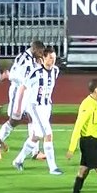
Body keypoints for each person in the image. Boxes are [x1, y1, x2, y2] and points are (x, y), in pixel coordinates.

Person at [13, 46, 61, 174]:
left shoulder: (56, 70)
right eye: (50, 58)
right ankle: (53, 167)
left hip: (47, 107)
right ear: (43, 58)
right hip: (36, 107)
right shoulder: (36, 72)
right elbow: (22, 88)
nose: (53, 60)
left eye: (54, 58)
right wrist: (18, 108)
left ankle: (18, 160)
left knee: (36, 137)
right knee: (48, 134)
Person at [0, 40, 44, 143]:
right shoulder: (23, 58)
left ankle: (35, 151)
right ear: (34, 49)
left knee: (32, 118)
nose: (41, 55)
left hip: (27, 93)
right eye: (40, 52)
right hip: (18, 91)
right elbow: (13, 75)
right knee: (14, 120)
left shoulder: (33, 59)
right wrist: (22, 81)